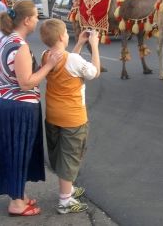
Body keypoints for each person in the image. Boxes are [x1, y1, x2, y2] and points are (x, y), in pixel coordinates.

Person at [0, 0, 62, 216]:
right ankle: (16, 203)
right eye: (35, 17)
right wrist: (49, 66)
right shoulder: (20, 46)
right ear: (26, 20)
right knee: (19, 151)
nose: (36, 20)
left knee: (9, 150)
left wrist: (2, 73)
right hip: (18, 106)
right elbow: (27, 82)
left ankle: (18, 195)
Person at [40, 18, 101, 214]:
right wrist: (94, 46)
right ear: (60, 36)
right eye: (66, 33)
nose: (68, 35)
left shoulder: (46, 55)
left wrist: (80, 43)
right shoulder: (73, 60)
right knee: (70, 156)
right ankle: (65, 200)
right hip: (72, 118)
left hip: (53, 115)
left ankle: (69, 189)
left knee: (60, 153)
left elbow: (68, 63)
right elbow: (94, 72)